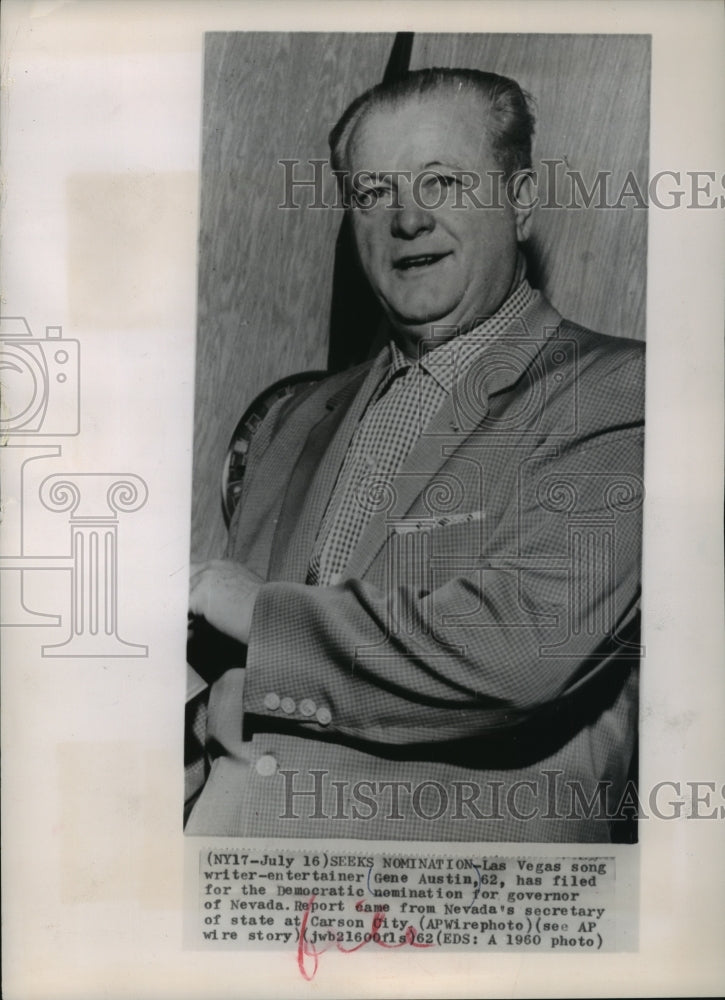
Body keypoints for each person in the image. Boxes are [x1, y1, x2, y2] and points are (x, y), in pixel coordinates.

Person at [186, 68, 644, 842]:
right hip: (240, 897)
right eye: (372, 194)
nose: (406, 219)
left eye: (441, 181)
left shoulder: (618, 392)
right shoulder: (292, 419)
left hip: (462, 910)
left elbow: (516, 648)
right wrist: (208, 712)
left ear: (521, 200)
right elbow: (221, 679)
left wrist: (253, 615)